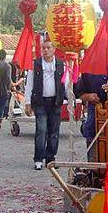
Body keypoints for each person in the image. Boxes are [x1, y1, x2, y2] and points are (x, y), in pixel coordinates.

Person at [24, 40, 66, 170]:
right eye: (44, 48)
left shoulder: (60, 64)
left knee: (54, 131)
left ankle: (50, 157)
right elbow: (29, 84)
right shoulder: (35, 64)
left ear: (54, 49)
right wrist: (27, 103)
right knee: (41, 130)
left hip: (55, 101)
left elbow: (66, 82)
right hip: (40, 102)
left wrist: (70, 99)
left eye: (48, 48)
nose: (45, 50)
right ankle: (38, 159)